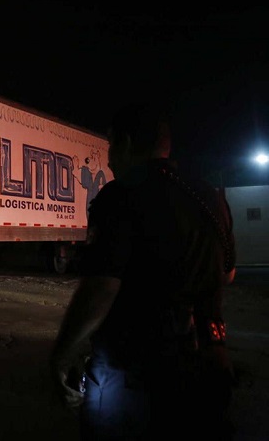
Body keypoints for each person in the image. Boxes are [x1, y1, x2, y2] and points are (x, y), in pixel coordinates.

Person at [49, 105, 236, 440]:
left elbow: (101, 289)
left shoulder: (120, 197)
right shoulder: (210, 198)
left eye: (110, 146)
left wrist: (62, 354)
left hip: (133, 374)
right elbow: (228, 273)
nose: (109, 159)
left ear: (126, 143)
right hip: (207, 363)